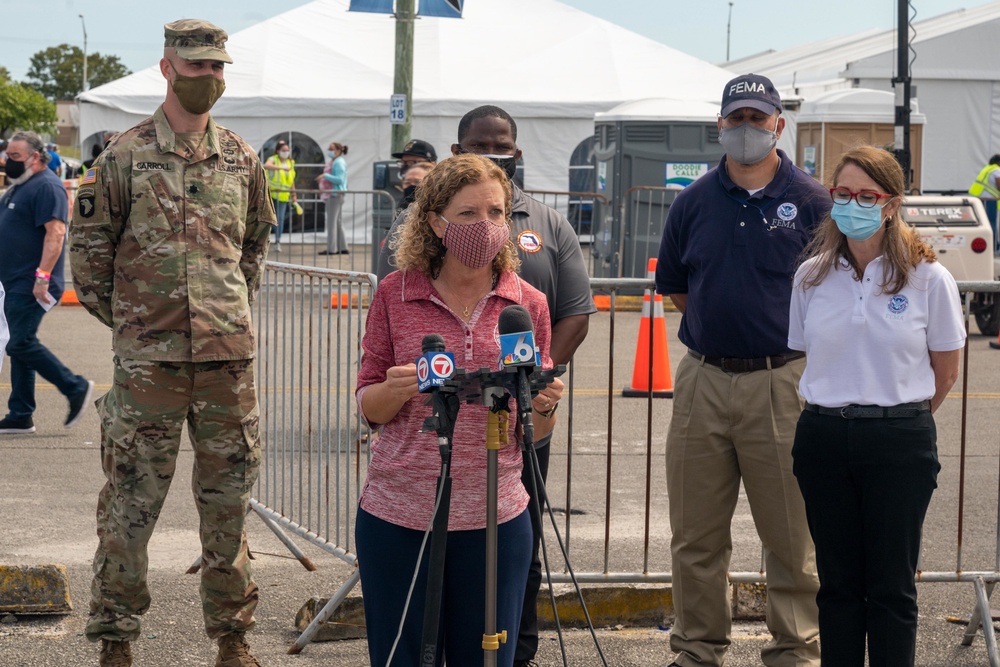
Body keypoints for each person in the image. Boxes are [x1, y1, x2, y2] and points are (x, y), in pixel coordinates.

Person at [68, 19, 276, 667]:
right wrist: (141, 328)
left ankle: (233, 637)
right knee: (130, 503)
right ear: (167, 69)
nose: (209, 79)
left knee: (229, 506)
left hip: (227, 367)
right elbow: (90, 265)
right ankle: (115, 637)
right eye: (196, 69)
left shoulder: (242, 159)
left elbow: (252, 251)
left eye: (218, 68)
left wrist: (221, 317)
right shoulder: (123, 158)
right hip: (148, 367)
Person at [378, 104, 595, 667]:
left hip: (497, 513)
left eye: (496, 211)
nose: (485, 223)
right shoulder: (395, 293)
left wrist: (542, 401)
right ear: (435, 221)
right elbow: (369, 406)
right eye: (468, 211)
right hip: (402, 511)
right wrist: (397, 390)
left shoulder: (530, 305)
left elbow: (536, 429)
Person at [654, 73, 831, 667]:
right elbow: (679, 288)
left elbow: (831, 293)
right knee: (696, 534)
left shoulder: (812, 201)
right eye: (738, 119)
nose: (748, 129)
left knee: (790, 533)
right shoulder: (692, 202)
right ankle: (698, 649)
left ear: (779, 124)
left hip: (782, 381)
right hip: (703, 377)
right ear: (720, 124)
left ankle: (794, 649)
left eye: (760, 119)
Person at [789, 146, 965, 667]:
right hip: (823, 439)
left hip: (898, 441)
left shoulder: (928, 279)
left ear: (891, 204)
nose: (852, 205)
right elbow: (808, 354)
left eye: (867, 196)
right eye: (842, 195)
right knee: (837, 586)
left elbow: (946, 371)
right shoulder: (811, 277)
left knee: (891, 587)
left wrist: (896, 421)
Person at [0, 131, 93, 435]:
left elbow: (55, 234)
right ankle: (21, 414)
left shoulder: (48, 186)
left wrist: (42, 277)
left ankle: (75, 387)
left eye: (14, 157)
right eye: (7, 156)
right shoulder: (20, 186)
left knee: (20, 343)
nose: (8, 162)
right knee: (21, 346)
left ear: (35, 157)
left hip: (32, 284)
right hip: (14, 282)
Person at [263, 138, 296, 252]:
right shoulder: (273, 159)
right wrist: (281, 168)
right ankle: (264, 240)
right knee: (268, 218)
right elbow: (266, 166)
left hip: (283, 195)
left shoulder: (290, 162)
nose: (286, 152)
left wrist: (294, 194)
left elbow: (291, 180)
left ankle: (278, 240)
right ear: (278, 151)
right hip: (271, 194)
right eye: (283, 150)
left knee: (280, 219)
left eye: (287, 150)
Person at [316, 141, 349, 255]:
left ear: (338, 151)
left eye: (332, 149)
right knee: (337, 221)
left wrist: (324, 176)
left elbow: (339, 179)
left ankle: (332, 249)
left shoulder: (338, 162)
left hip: (334, 194)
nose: (329, 151)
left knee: (332, 222)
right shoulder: (336, 161)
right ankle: (343, 247)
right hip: (335, 194)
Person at [967, 153, 1000, 249]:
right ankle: (993, 246)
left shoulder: (987, 169)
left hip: (980, 200)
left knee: (982, 222)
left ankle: (990, 244)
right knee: (991, 222)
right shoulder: (996, 170)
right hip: (989, 200)